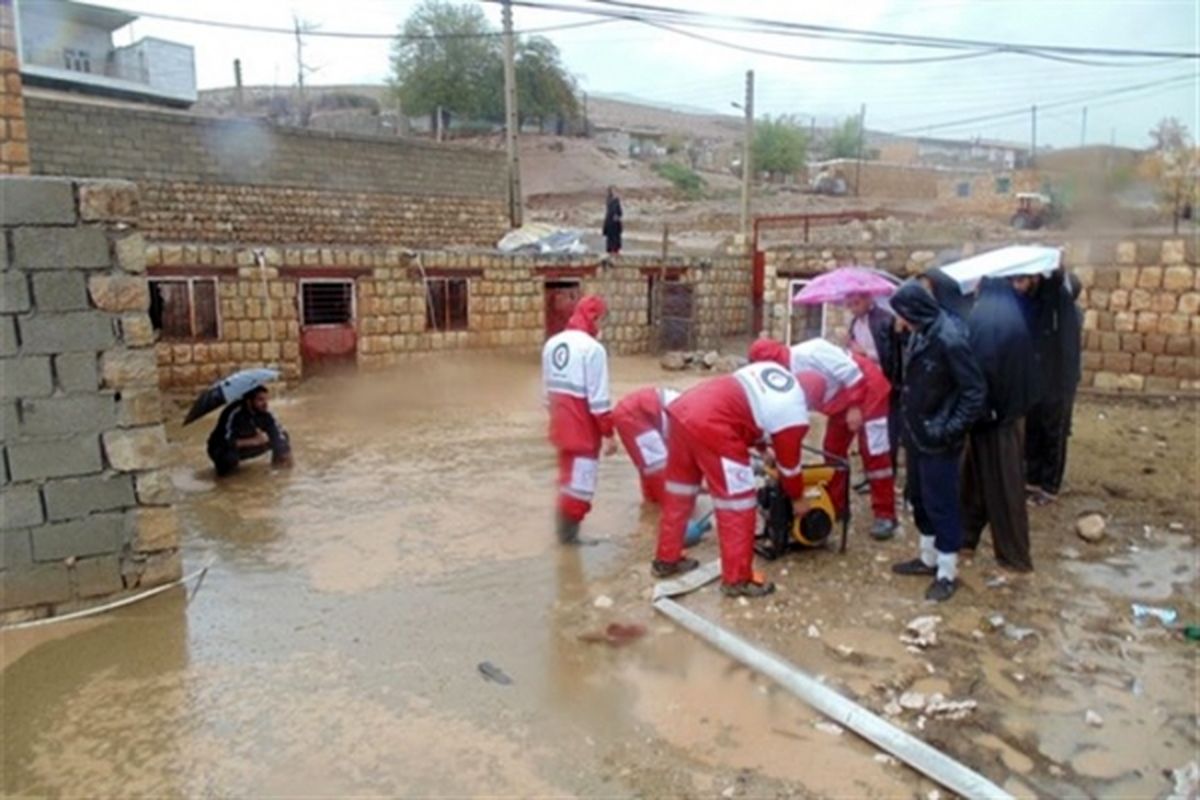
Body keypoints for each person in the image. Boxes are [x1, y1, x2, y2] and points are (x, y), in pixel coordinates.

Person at [652, 339, 810, 598]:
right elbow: (790, 466)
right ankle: (737, 579)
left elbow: (746, 408)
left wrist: (762, 450)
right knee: (738, 504)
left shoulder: (766, 373)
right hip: (714, 427)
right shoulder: (795, 409)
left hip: (684, 411)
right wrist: (798, 497)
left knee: (679, 494)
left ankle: (667, 560)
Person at [889, 280, 985, 602]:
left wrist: (949, 430)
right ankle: (927, 557)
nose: (898, 321)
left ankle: (947, 570)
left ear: (913, 311)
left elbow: (974, 392)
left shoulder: (950, 339)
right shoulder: (920, 333)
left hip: (938, 436)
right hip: (918, 433)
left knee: (942, 502)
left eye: (901, 314)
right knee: (919, 496)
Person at [961, 277, 1039, 573]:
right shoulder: (1007, 312)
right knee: (975, 482)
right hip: (1002, 412)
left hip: (996, 417)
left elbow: (983, 367)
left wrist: (983, 411)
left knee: (1004, 486)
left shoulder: (987, 317)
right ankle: (965, 538)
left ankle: (1014, 555)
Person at [788, 338, 898, 540]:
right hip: (840, 399)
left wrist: (856, 407)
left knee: (875, 455)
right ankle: (836, 505)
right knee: (832, 450)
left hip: (868, 391)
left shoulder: (813, 350)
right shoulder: (785, 375)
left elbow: (853, 375)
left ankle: (886, 514)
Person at [542, 295, 617, 545]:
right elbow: (599, 400)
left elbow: (546, 394)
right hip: (583, 431)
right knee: (581, 487)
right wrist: (608, 434)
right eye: (601, 319)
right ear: (594, 317)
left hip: (559, 426)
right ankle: (568, 541)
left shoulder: (552, 343)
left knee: (566, 479)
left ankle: (561, 536)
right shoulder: (593, 350)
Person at [1024, 270, 1083, 504]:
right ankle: (1033, 479)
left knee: (1053, 433)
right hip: (1040, 381)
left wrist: (1066, 385)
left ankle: (1049, 486)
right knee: (1035, 428)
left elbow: (1068, 353)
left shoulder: (1066, 312)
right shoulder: (1042, 308)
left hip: (1058, 384)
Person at [612, 386, 681, 505]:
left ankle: (651, 504)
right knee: (656, 464)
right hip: (636, 413)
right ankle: (670, 508)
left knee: (648, 464)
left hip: (639, 410)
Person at [206, 386, 292, 476]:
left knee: (283, 438)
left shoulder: (266, 413)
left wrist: (287, 467)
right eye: (260, 400)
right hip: (220, 448)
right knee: (229, 458)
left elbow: (279, 436)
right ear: (249, 402)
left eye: (266, 399)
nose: (266, 404)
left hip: (246, 445)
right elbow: (225, 442)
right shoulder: (233, 413)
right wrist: (254, 441)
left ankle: (278, 469)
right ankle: (226, 482)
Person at [602, 186, 623, 255]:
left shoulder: (614, 200)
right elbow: (616, 212)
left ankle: (614, 251)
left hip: (613, 223)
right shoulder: (612, 201)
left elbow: (619, 212)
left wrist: (618, 216)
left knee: (614, 238)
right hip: (612, 223)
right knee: (612, 239)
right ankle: (612, 252)